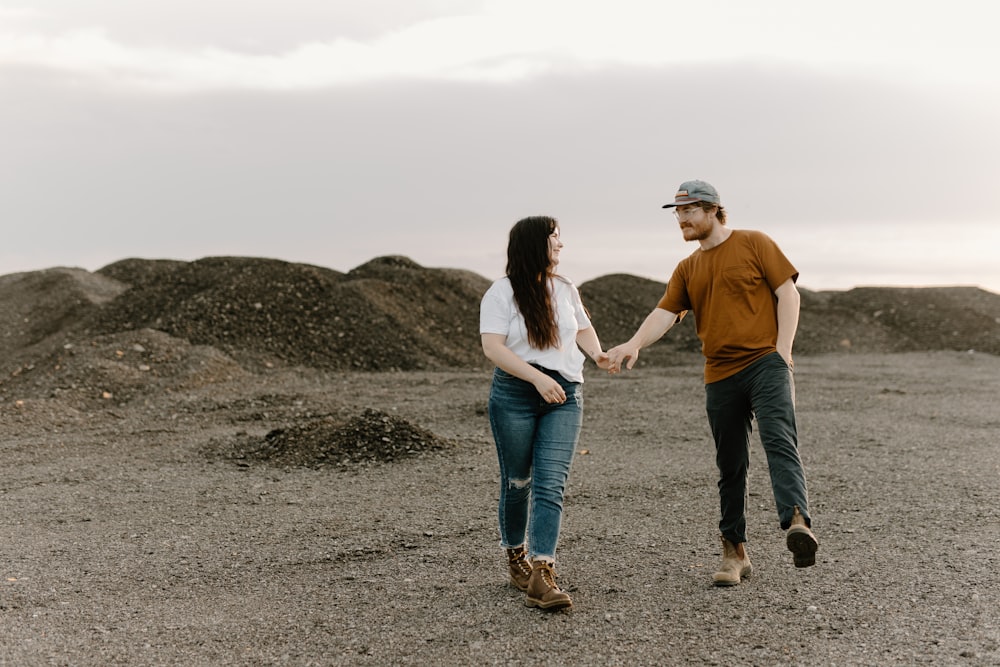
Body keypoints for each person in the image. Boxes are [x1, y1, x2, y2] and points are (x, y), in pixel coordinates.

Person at [607, 180, 818, 586]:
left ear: (712, 211)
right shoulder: (688, 268)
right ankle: (733, 552)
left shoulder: (754, 243)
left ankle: (797, 523)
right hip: (719, 373)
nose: (681, 220)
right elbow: (664, 314)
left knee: (779, 439)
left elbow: (787, 294)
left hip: (765, 363)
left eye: (688, 212)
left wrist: (783, 351)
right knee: (730, 463)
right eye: (678, 213)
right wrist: (633, 344)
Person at [480, 215, 609, 610]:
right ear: (535, 243)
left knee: (551, 484)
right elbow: (493, 348)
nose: (561, 245)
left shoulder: (566, 288)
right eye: (555, 238)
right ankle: (515, 554)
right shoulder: (501, 293)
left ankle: (542, 570)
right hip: (516, 393)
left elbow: (581, 329)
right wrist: (536, 378)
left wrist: (600, 356)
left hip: (565, 395)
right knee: (518, 482)